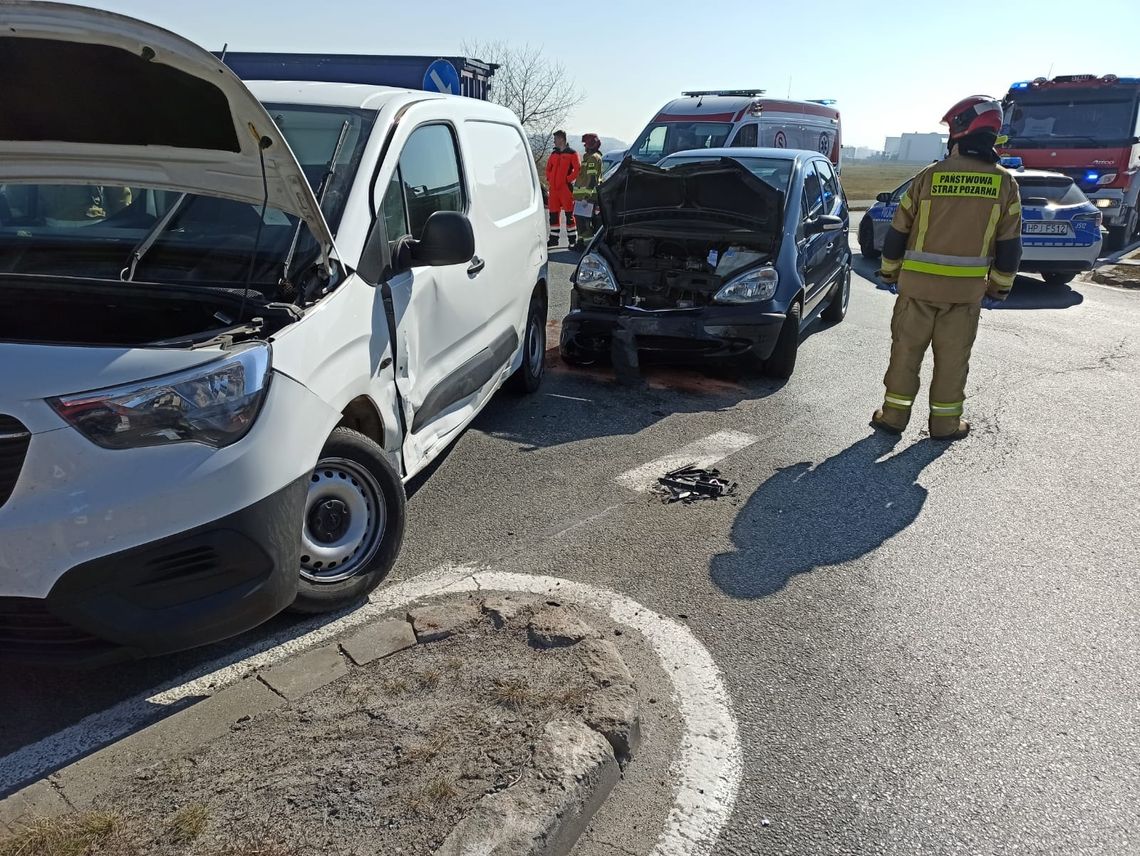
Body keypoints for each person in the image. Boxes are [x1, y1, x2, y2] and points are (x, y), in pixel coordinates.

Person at [872, 96, 1022, 441]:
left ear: (958, 131)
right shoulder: (1004, 184)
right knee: (953, 362)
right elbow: (1009, 245)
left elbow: (898, 232)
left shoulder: (928, 177)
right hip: (965, 295)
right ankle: (945, 425)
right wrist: (999, 286)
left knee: (905, 355)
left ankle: (893, 417)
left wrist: (889, 272)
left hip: (917, 290)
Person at [545, 130, 580, 249]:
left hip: (566, 189)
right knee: (553, 215)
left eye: (555, 139)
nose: (554, 141)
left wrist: (567, 179)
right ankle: (554, 240)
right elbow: (548, 168)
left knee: (569, 215)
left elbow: (577, 170)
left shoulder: (572, 153)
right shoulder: (553, 154)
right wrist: (549, 178)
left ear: (561, 139)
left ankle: (572, 240)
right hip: (553, 190)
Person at [572, 133, 604, 251]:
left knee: (585, 223)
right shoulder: (590, 157)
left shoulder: (593, 158)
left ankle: (587, 246)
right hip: (582, 197)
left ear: (591, 144)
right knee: (580, 221)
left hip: (587, 197)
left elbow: (592, 179)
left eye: (586, 143)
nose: (584, 146)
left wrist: (586, 196)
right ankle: (580, 243)